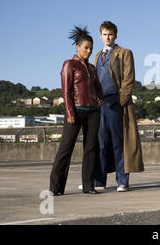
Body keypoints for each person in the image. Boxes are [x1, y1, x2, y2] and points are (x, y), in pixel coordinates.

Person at [49, 27, 104, 196]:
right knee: (66, 148)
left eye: (91, 48)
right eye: (86, 47)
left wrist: (100, 98)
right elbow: (66, 92)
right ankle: (55, 188)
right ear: (77, 48)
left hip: (93, 112)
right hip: (76, 112)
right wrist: (70, 112)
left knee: (91, 148)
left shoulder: (92, 68)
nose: (88, 51)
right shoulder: (69, 65)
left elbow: (98, 88)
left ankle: (88, 186)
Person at [93, 20, 144, 192]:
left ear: (115, 35)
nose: (107, 37)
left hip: (115, 102)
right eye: (104, 34)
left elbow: (129, 79)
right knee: (100, 143)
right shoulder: (98, 55)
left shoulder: (125, 53)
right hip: (99, 104)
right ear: (100, 36)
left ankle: (122, 180)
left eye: (110, 34)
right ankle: (99, 181)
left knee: (118, 142)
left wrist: (120, 101)